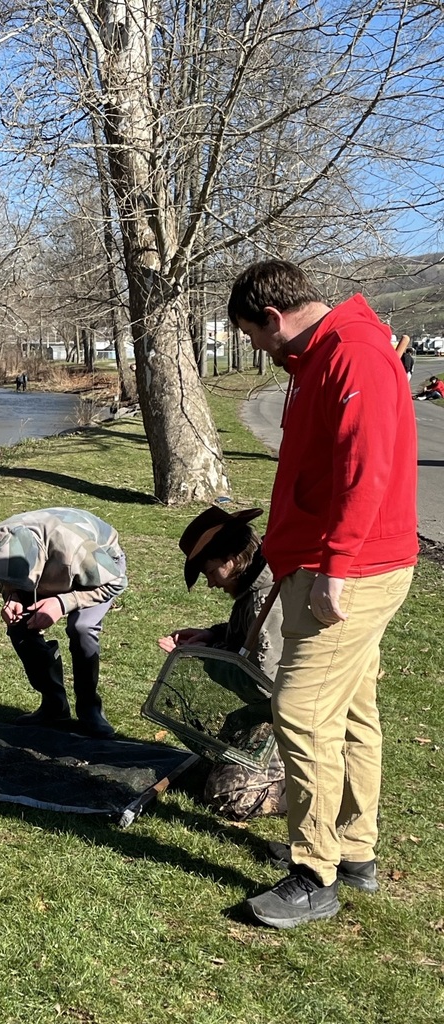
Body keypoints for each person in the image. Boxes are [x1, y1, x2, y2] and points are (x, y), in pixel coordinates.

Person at [228, 260, 417, 928]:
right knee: (354, 709)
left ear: (273, 317)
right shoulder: (322, 354)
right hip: (337, 562)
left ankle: (314, 874)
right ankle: (356, 851)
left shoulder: (354, 353)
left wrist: (336, 566)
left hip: (351, 571)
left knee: (302, 711)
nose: (254, 346)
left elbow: (367, 469)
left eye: (253, 333)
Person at [158, 505, 286, 821]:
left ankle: (305, 788)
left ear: (231, 560)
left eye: (211, 572)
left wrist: (206, 655)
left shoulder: (265, 597)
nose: (212, 584)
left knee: (227, 796)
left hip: (291, 715)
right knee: (213, 768)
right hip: (268, 712)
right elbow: (244, 641)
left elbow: (260, 682)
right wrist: (209, 635)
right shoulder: (252, 589)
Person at [0, 507, 127, 738]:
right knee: (20, 626)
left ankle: (90, 710)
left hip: (99, 568)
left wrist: (62, 603)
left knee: (81, 628)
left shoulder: (77, 550)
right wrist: (13, 595)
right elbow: (6, 576)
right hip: (52, 563)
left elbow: (116, 583)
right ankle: (54, 705)